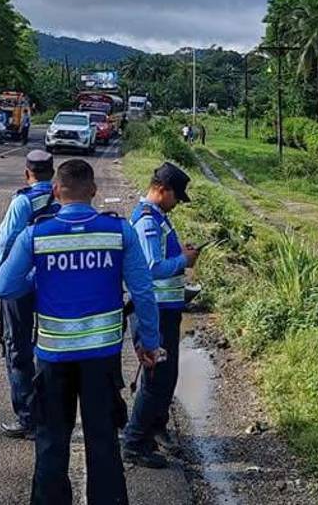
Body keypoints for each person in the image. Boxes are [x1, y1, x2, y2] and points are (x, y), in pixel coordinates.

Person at [0, 159, 162, 505]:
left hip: (53, 357)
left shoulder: (36, 234)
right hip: (101, 358)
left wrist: (40, 278)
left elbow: (4, 287)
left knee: (52, 440)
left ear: (56, 191)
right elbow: (144, 292)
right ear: (94, 191)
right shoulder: (118, 232)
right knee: (103, 440)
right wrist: (149, 343)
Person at [121, 161, 200, 467]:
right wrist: (184, 260)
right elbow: (153, 269)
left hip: (165, 310)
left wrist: (181, 254)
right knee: (157, 380)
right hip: (152, 312)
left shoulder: (158, 217)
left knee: (166, 378)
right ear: (161, 190)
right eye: (176, 196)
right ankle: (134, 442)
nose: (178, 203)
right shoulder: (147, 221)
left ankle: (153, 428)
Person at [0, 149, 58, 439]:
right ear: (52, 173)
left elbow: (6, 243)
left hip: (21, 284)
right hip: (52, 280)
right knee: (50, 345)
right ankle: (53, 410)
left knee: (17, 348)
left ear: (27, 173)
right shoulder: (60, 196)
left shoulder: (22, 201)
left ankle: (28, 417)